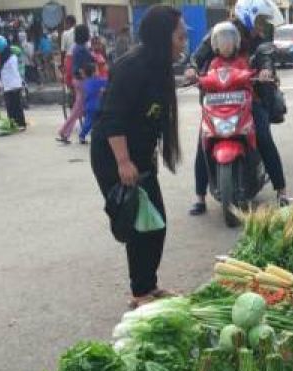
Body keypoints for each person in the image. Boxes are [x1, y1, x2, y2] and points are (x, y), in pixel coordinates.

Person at [90, 4, 185, 308]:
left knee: (156, 222)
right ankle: (140, 292)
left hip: (140, 156)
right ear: (163, 36)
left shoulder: (159, 65)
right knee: (137, 224)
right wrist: (123, 162)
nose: (183, 41)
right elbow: (112, 118)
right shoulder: (132, 67)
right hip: (114, 156)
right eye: (180, 37)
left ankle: (148, 285)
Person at [186, 0, 291, 214]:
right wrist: (191, 69)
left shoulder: (260, 39)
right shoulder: (221, 33)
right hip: (217, 97)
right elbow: (198, 56)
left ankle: (281, 191)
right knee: (203, 141)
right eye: (259, 20)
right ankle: (200, 197)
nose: (262, 25)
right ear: (247, 16)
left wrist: (266, 72)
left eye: (264, 21)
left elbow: (266, 56)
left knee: (262, 135)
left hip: (250, 96)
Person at [57, 24, 93, 143]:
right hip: (82, 80)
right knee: (79, 109)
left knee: (80, 109)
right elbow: (89, 62)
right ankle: (64, 132)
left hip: (77, 79)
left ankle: (73, 133)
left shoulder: (76, 47)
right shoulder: (83, 49)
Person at [0, 34, 26, 130]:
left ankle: (19, 124)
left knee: (13, 106)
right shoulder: (11, 56)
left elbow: (5, 73)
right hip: (12, 84)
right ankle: (16, 124)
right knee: (14, 106)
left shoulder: (6, 58)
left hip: (11, 85)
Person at [77, 59, 106, 143]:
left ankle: (82, 135)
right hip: (98, 105)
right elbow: (108, 82)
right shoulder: (99, 81)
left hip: (89, 105)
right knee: (101, 121)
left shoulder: (86, 82)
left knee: (88, 122)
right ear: (94, 72)